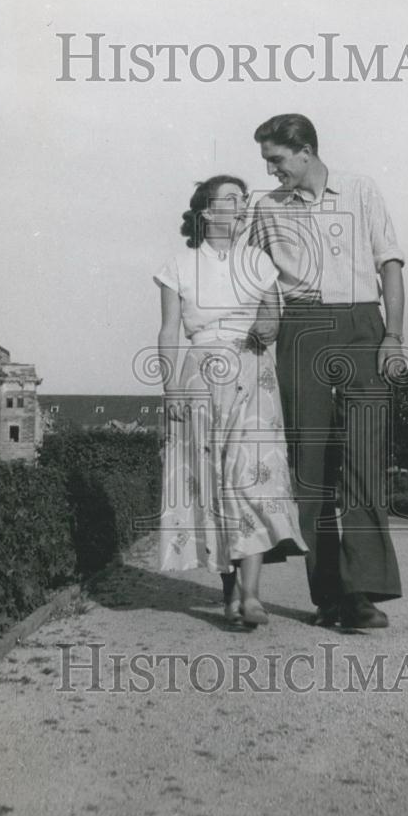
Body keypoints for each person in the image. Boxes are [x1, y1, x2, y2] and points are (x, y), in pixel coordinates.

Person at [250, 113, 405, 629]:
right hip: (303, 330)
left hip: (364, 323)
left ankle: (363, 593)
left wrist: (394, 337)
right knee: (309, 467)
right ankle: (330, 597)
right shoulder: (265, 208)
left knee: (364, 455)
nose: (271, 171)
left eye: (276, 159)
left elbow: (390, 265)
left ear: (305, 151)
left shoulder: (361, 190)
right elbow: (255, 280)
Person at [154, 175, 307, 626]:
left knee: (253, 480)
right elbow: (167, 331)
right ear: (207, 212)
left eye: (243, 199)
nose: (242, 205)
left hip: (252, 371)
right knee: (211, 483)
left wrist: (269, 324)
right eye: (231, 199)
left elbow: (273, 310)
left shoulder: (258, 259)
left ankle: (253, 594)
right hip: (199, 373)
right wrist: (171, 390)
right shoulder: (177, 266)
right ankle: (230, 595)